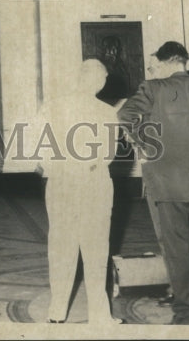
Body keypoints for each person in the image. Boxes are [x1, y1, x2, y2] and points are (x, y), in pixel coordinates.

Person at [118, 41, 189, 325]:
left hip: (167, 186)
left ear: (165, 63)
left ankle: (184, 314)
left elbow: (125, 115)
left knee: (177, 252)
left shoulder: (153, 89)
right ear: (186, 64)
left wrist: (148, 145)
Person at [34, 58, 123, 325]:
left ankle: (57, 312)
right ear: (100, 81)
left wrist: (54, 169)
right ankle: (100, 315)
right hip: (94, 184)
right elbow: (108, 155)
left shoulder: (52, 106)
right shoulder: (107, 112)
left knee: (60, 246)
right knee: (96, 250)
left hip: (60, 184)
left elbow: (37, 147)